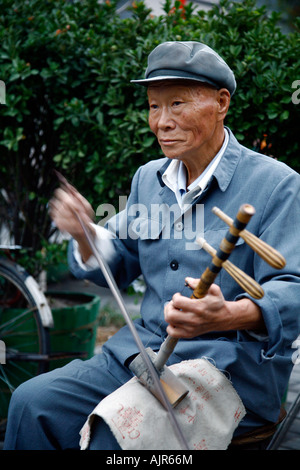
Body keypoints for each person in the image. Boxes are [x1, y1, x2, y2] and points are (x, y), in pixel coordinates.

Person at [4, 41, 300, 450]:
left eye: (177, 104)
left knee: (114, 438)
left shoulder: (276, 184)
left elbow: (294, 289)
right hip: (142, 354)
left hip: (227, 369)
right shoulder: (150, 178)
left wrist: (226, 314)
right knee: (31, 403)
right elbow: (119, 259)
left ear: (221, 103)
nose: (162, 121)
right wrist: (85, 233)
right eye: (153, 107)